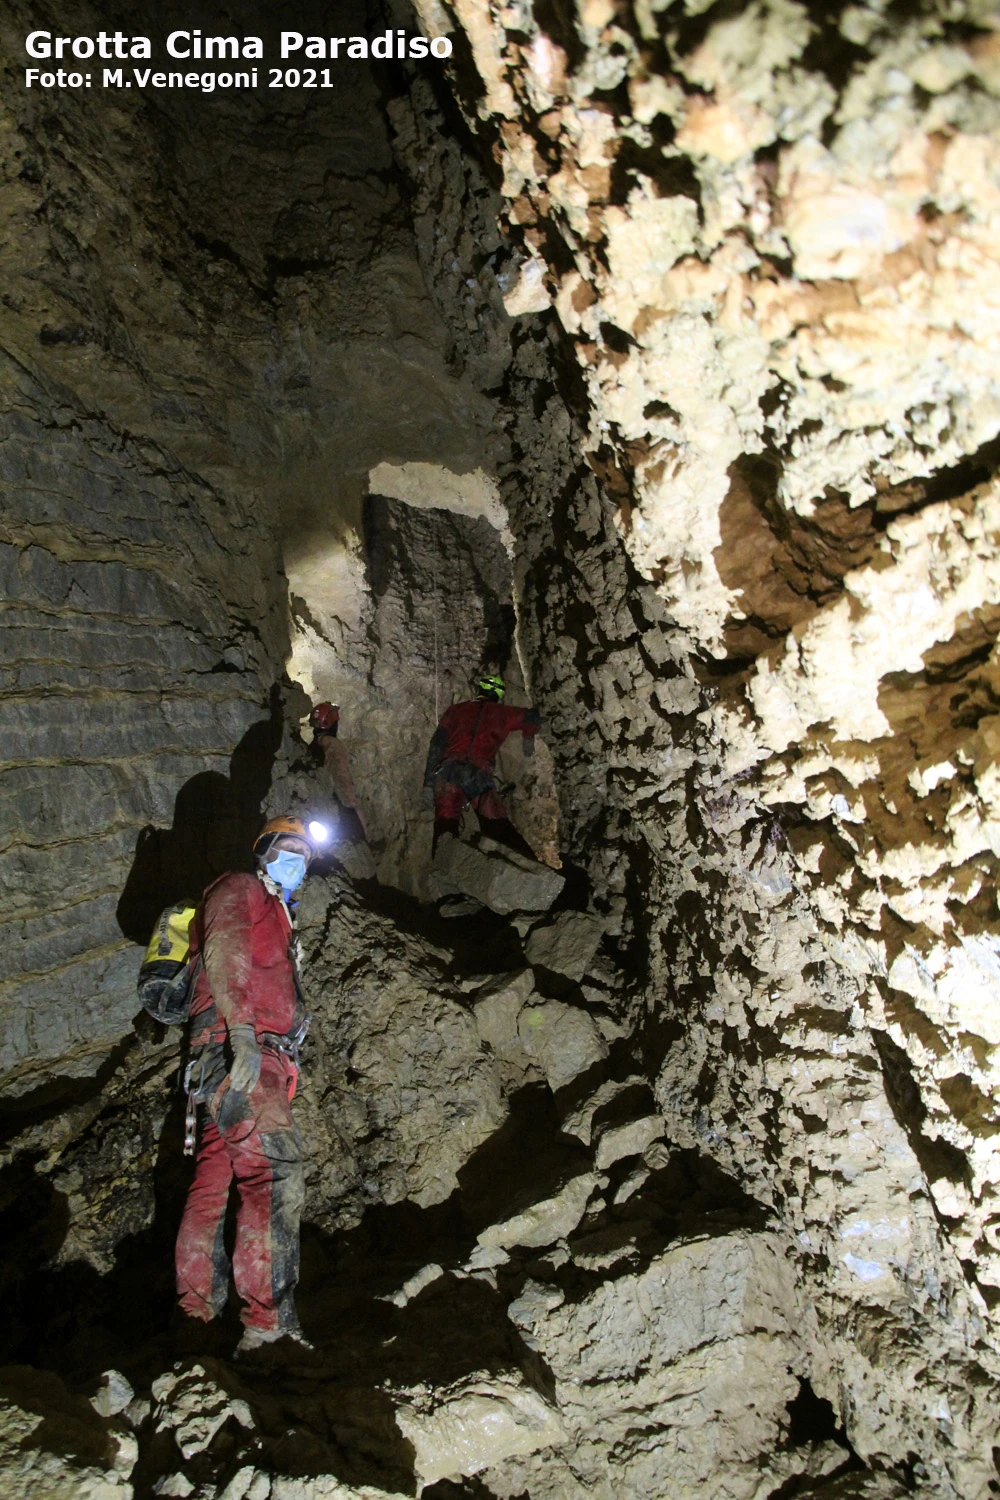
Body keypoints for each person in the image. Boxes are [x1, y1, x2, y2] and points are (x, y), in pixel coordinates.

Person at [174, 814, 321, 1355]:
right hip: (240, 1056)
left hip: (240, 1062)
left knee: (213, 1183)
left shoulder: (281, 916)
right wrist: (241, 1035)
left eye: (305, 856)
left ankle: (194, 1316)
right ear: (262, 851)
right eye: (288, 849)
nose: (298, 861)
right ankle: (268, 1326)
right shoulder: (240, 888)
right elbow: (226, 950)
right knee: (276, 1170)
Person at [423, 674, 542, 855]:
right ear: (499, 694)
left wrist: (428, 783)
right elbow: (533, 717)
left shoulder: (455, 710)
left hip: (448, 772)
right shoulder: (503, 713)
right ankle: (526, 866)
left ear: (480, 689)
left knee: (444, 826)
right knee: (496, 823)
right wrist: (528, 738)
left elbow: (436, 745)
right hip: (476, 774)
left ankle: (442, 867)